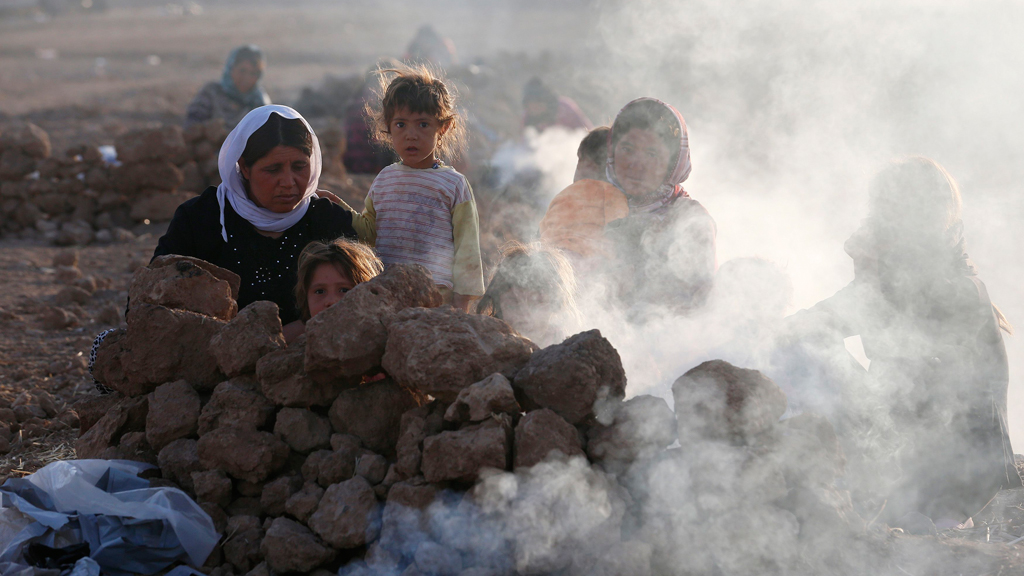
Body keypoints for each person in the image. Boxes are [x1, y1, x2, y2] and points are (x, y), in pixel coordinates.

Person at [779, 157, 1021, 529]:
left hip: (956, 469)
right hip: (899, 448)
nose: (881, 220)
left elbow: (925, 390)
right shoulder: (887, 276)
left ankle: (941, 510)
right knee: (808, 345)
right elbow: (822, 320)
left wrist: (873, 269)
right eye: (881, 208)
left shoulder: (958, 290)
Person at [154, 105, 359, 330]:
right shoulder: (201, 219)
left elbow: (363, 304)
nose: (289, 182)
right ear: (244, 167)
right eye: (273, 169)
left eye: (299, 167)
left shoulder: (328, 222)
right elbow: (151, 303)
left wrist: (295, 335)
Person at [352, 65, 484, 312]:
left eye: (423, 125)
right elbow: (368, 234)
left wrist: (461, 304)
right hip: (386, 293)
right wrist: (337, 208)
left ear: (442, 127)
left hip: (436, 298)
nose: (411, 135)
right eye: (401, 124)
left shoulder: (454, 184)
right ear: (388, 128)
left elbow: (468, 248)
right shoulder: (384, 179)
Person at [603, 98, 717, 315]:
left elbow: (700, 306)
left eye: (651, 154)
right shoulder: (592, 205)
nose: (636, 163)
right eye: (627, 148)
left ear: (673, 162)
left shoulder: (689, 220)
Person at [539, 126, 628, 264]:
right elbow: (618, 227)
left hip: (553, 259)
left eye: (579, 161)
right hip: (589, 262)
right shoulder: (614, 195)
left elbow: (542, 230)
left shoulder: (563, 195)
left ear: (587, 164)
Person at [477, 242, 581, 346]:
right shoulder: (484, 350)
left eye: (536, 302)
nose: (525, 315)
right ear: (499, 304)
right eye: (513, 304)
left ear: (555, 304)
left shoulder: (573, 353)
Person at [287, 238, 384, 342]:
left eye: (344, 290)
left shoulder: (386, 343)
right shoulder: (293, 351)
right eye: (320, 291)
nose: (332, 301)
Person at [184, 45, 272, 129]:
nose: (247, 78)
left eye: (253, 73)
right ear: (230, 69)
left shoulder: (260, 103)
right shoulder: (211, 93)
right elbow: (191, 126)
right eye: (242, 71)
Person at [522, 77, 592, 133]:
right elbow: (522, 143)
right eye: (531, 106)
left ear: (546, 101)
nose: (535, 109)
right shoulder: (527, 119)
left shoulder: (565, 108)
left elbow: (587, 132)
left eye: (538, 104)